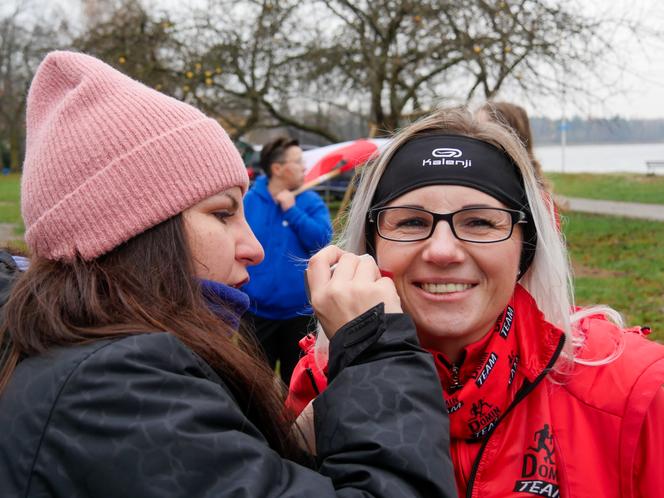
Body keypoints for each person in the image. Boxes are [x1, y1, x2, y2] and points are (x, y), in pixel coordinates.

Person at [0, 51, 457, 497]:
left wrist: (281, 445)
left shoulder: (78, 357)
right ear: (134, 231)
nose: (252, 247)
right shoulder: (114, 387)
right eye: (222, 214)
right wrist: (377, 350)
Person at [288, 107, 664, 498]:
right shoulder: (320, 381)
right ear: (371, 245)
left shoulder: (637, 389)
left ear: (526, 248)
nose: (443, 251)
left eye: (481, 222)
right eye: (412, 222)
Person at [243, 137, 332, 385]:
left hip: (299, 314)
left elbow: (322, 241)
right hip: (255, 313)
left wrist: (293, 211)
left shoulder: (310, 202)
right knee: (253, 385)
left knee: (297, 386)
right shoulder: (249, 201)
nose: (304, 167)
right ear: (278, 168)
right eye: (298, 162)